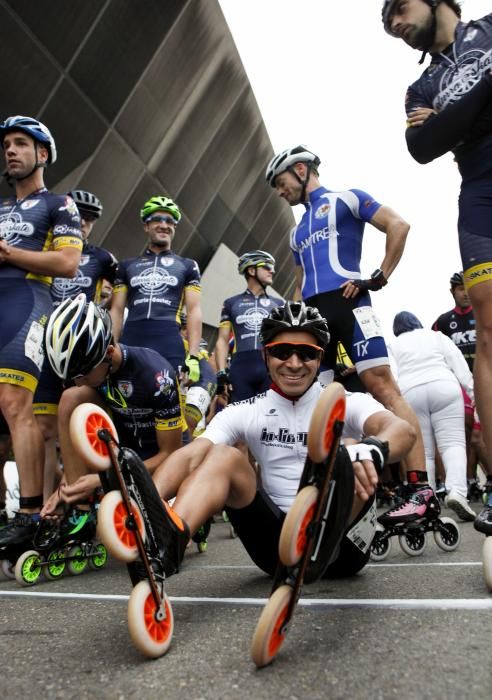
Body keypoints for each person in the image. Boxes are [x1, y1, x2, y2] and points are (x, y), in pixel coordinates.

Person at [149, 302, 416, 580]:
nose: (294, 363)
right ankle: (167, 543)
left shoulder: (346, 401)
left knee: (349, 450)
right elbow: (193, 454)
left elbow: (402, 430)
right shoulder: (246, 410)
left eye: (306, 354)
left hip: (343, 548)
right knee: (222, 456)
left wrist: (371, 450)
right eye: (282, 352)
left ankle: (320, 543)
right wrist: (147, 505)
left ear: (320, 357)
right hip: (275, 545)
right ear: (266, 355)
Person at [265, 145, 430, 518]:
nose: (279, 191)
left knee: (382, 386)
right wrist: (291, 322)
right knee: (316, 403)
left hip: (351, 301)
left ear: (302, 170)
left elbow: (398, 225)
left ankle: (420, 488)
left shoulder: (347, 199)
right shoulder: (295, 233)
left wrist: (378, 278)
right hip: (315, 318)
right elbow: (300, 281)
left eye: (281, 182)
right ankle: (334, 487)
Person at [382, 0, 492, 535]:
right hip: (480, 197)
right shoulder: (418, 90)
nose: (395, 24)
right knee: (490, 336)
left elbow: (442, 131)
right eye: (388, 24)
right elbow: (422, 147)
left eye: (399, 9)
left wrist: (453, 122)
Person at [0, 115, 82, 548]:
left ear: (42, 154)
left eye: (20, 144)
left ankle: (31, 514)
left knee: (17, 404)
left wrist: (9, 252)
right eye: (7, 145)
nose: (10, 151)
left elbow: (67, 263)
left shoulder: (59, 205)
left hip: (29, 304)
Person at [41, 294, 186, 529]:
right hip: (124, 460)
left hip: (161, 461)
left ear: (108, 353)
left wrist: (102, 481)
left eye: (83, 375)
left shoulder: (157, 376)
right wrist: (67, 488)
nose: (78, 382)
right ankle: (82, 511)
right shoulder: (91, 377)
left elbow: (171, 454)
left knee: (157, 529)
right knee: (70, 398)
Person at [33, 189, 117, 500]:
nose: (83, 222)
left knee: (80, 427)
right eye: (79, 215)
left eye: (90, 218)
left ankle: (84, 498)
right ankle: (47, 505)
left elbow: (119, 299)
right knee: (44, 432)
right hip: (46, 343)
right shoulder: (45, 250)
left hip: (81, 350)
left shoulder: (103, 258)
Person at [390, 311, 475, 521]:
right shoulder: (436, 336)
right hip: (444, 385)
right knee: (453, 443)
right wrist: (473, 393)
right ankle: (457, 492)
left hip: (410, 392)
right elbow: (459, 365)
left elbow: (389, 374)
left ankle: (427, 499)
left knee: (424, 451)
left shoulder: (394, 345)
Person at [110, 196, 202, 382]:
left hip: (168, 339)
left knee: (171, 404)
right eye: (157, 219)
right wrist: (109, 345)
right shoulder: (126, 266)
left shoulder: (187, 265)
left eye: (169, 221)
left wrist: (193, 355)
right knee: (123, 403)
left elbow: (193, 310)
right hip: (131, 338)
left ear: (174, 227)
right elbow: (117, 310)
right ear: (146, 226)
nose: (164, 225)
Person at [214, 250, 284, 402]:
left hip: (269, 366)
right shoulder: (231, 303)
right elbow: (222, 341)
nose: (272, 270)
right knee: (241, 420)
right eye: (266, 266)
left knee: (271, 418)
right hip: (241, 368)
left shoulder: (279, 304)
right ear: (251, 270)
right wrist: (221, 373)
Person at [432, 272, 476, 372]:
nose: (466, 294)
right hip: (458, 380)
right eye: (461, 289)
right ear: (452, 291)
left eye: (468, 289)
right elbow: (433, 352)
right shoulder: (442, 321)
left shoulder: (484, 315)